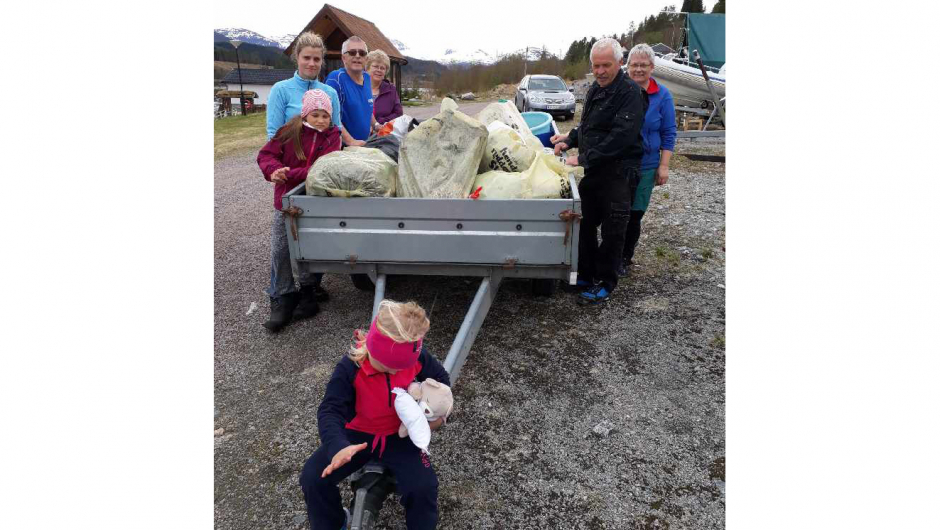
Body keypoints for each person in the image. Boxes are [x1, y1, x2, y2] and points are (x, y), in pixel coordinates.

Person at [299, 299, 450, 530]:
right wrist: (338, 445)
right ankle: (334, 522)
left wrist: (434, 416)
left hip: (400, 437)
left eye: (404, 367)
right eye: (392, 367)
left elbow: (441, 382)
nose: (400, 372)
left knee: (423, 487)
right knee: (312, 478)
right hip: (357, 437)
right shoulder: (350, 368)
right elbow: (330, 409)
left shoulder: (415, 358)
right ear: (374, 350)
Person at [550, 38, 648, 305]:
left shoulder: (630, 93)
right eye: (596, 66)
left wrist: (581, 158)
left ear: (619, 63)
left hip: (620, 171)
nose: (601, 71)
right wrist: (569, 140)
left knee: (614, 229)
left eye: (606, 65)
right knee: (585, 221)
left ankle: (605, 281)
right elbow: (588, 126)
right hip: (596, 170)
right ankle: (586, 273)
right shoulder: (595, 88)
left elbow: (621, 138)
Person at [264, 31, 341, 303]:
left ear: (322, 61)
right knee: (283, 241)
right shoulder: (282, 90)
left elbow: (337, 130)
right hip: (288, 177)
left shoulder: (330, 92)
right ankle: (281, 292)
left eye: (317, 59)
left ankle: (310, 285)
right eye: (306, 57)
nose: (312, 63)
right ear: (297, 58)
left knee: (315, 233)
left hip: (318, 177)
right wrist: (277, 169)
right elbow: (274, 133)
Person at [256, 90, 341, 332]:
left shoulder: (333, 136)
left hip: (315, 202)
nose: (321, 120)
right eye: (316, 114)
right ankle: (284, 295)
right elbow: (266, 156)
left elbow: (322, 169)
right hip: (285, 202)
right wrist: (273, 170)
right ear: (305, 114)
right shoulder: (288, 132)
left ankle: (308, 291)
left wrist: (288, 173)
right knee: (281, 249)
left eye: (325, 115)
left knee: (313, 247)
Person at [620, 44, 677, 277]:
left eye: (644, 65)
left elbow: (669, 132)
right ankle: (611, 253)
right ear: (628, 66)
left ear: (652, 67)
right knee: (616, 210)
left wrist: (664, 166)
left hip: (646, 165)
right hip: (619, 163)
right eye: (635, 65)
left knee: (635, 212)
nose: (639, 69)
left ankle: (625, 257)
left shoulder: (662, 95)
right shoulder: (619, 90)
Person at [326, 36, 378, 147]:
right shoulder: (335, 79)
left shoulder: (367, 78)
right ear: (343, 58)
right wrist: (350, 141)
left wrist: (376, 125)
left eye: (362, 53)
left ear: (366, 59)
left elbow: (367, 108)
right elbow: (329, 116)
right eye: (352, 52)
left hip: (363, 144)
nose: (357, 56)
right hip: (342, 147)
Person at [366, 49, 403, 127]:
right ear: (367, 68)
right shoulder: (358, 87)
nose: (379, 70)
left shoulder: (391, 89)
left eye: (382, 68)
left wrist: (379, 122)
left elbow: (398, 113)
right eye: (375, 66)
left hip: (383, 133)